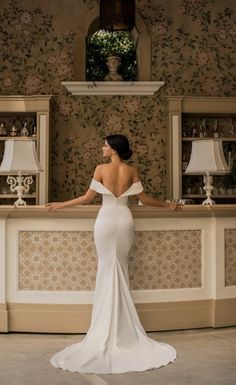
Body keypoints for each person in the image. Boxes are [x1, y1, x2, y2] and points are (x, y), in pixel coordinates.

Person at [46, 134, 178, 374]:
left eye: (106, 145)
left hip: (106, 222)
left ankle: (104, 329)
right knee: (120, 268)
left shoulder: (101, 169)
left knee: (107, 268)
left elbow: (87, 198)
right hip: (125, 221)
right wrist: (168, 205)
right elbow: (145, 199)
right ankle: (123, 330)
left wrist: (60, 204)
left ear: (114, 149)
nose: (102, 147)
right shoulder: (131, 170)